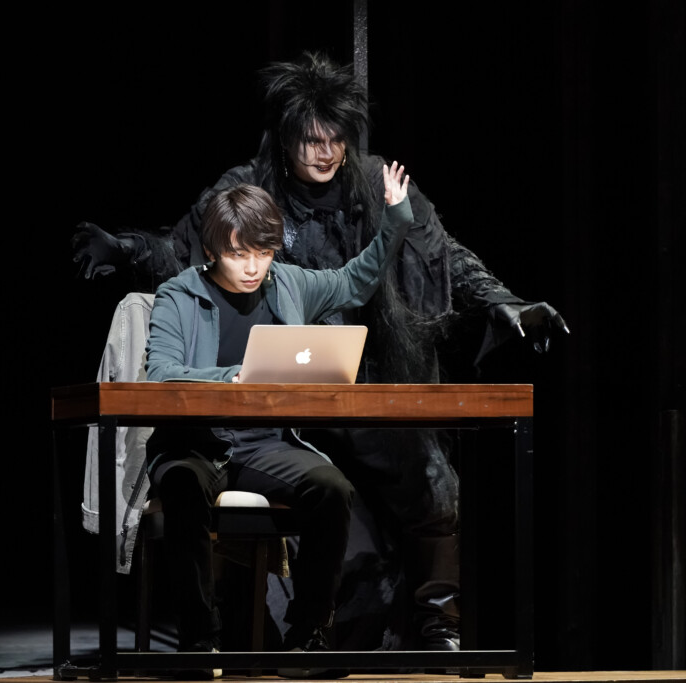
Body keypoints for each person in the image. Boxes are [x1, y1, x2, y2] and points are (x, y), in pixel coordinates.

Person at [73, 51, 569, 651]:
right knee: (309, 509)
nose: (326, 151)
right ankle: (273, 632)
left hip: (372, 375)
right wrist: (125, 247)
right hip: (283, 395)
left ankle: (439, 623)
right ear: (286, 138)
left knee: (433, 486)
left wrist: (503, 300)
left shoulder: (376, 182)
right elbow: (186, 250)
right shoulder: (250, 188)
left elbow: (437, 254)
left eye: (336, 138)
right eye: (312, 139)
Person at [145, 171, 412, 679]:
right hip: (196, 442)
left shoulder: (287, 283)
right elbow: (160, 373)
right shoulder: (178, 294)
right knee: (181, 483)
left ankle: (307, 635)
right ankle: (199, 641)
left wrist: (395, 217)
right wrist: (233, 378)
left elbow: (354, 281)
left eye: (263, 253)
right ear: (212, 250)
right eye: (238, 254)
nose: (252, 267)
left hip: (263, 445)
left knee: (331, 487)